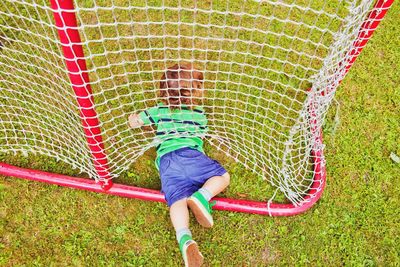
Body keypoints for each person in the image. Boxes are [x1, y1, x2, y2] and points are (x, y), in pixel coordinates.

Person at [128, 63, 230, 267]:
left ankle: (184, 238)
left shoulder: (159, 111)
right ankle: (202, 196)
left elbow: (136, 121)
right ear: (193, 95)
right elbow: (200, 134)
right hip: (190, 155)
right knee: (222, 177)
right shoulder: (199, 115)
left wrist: (134, 118)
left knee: (176, 199)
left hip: (166, 162)